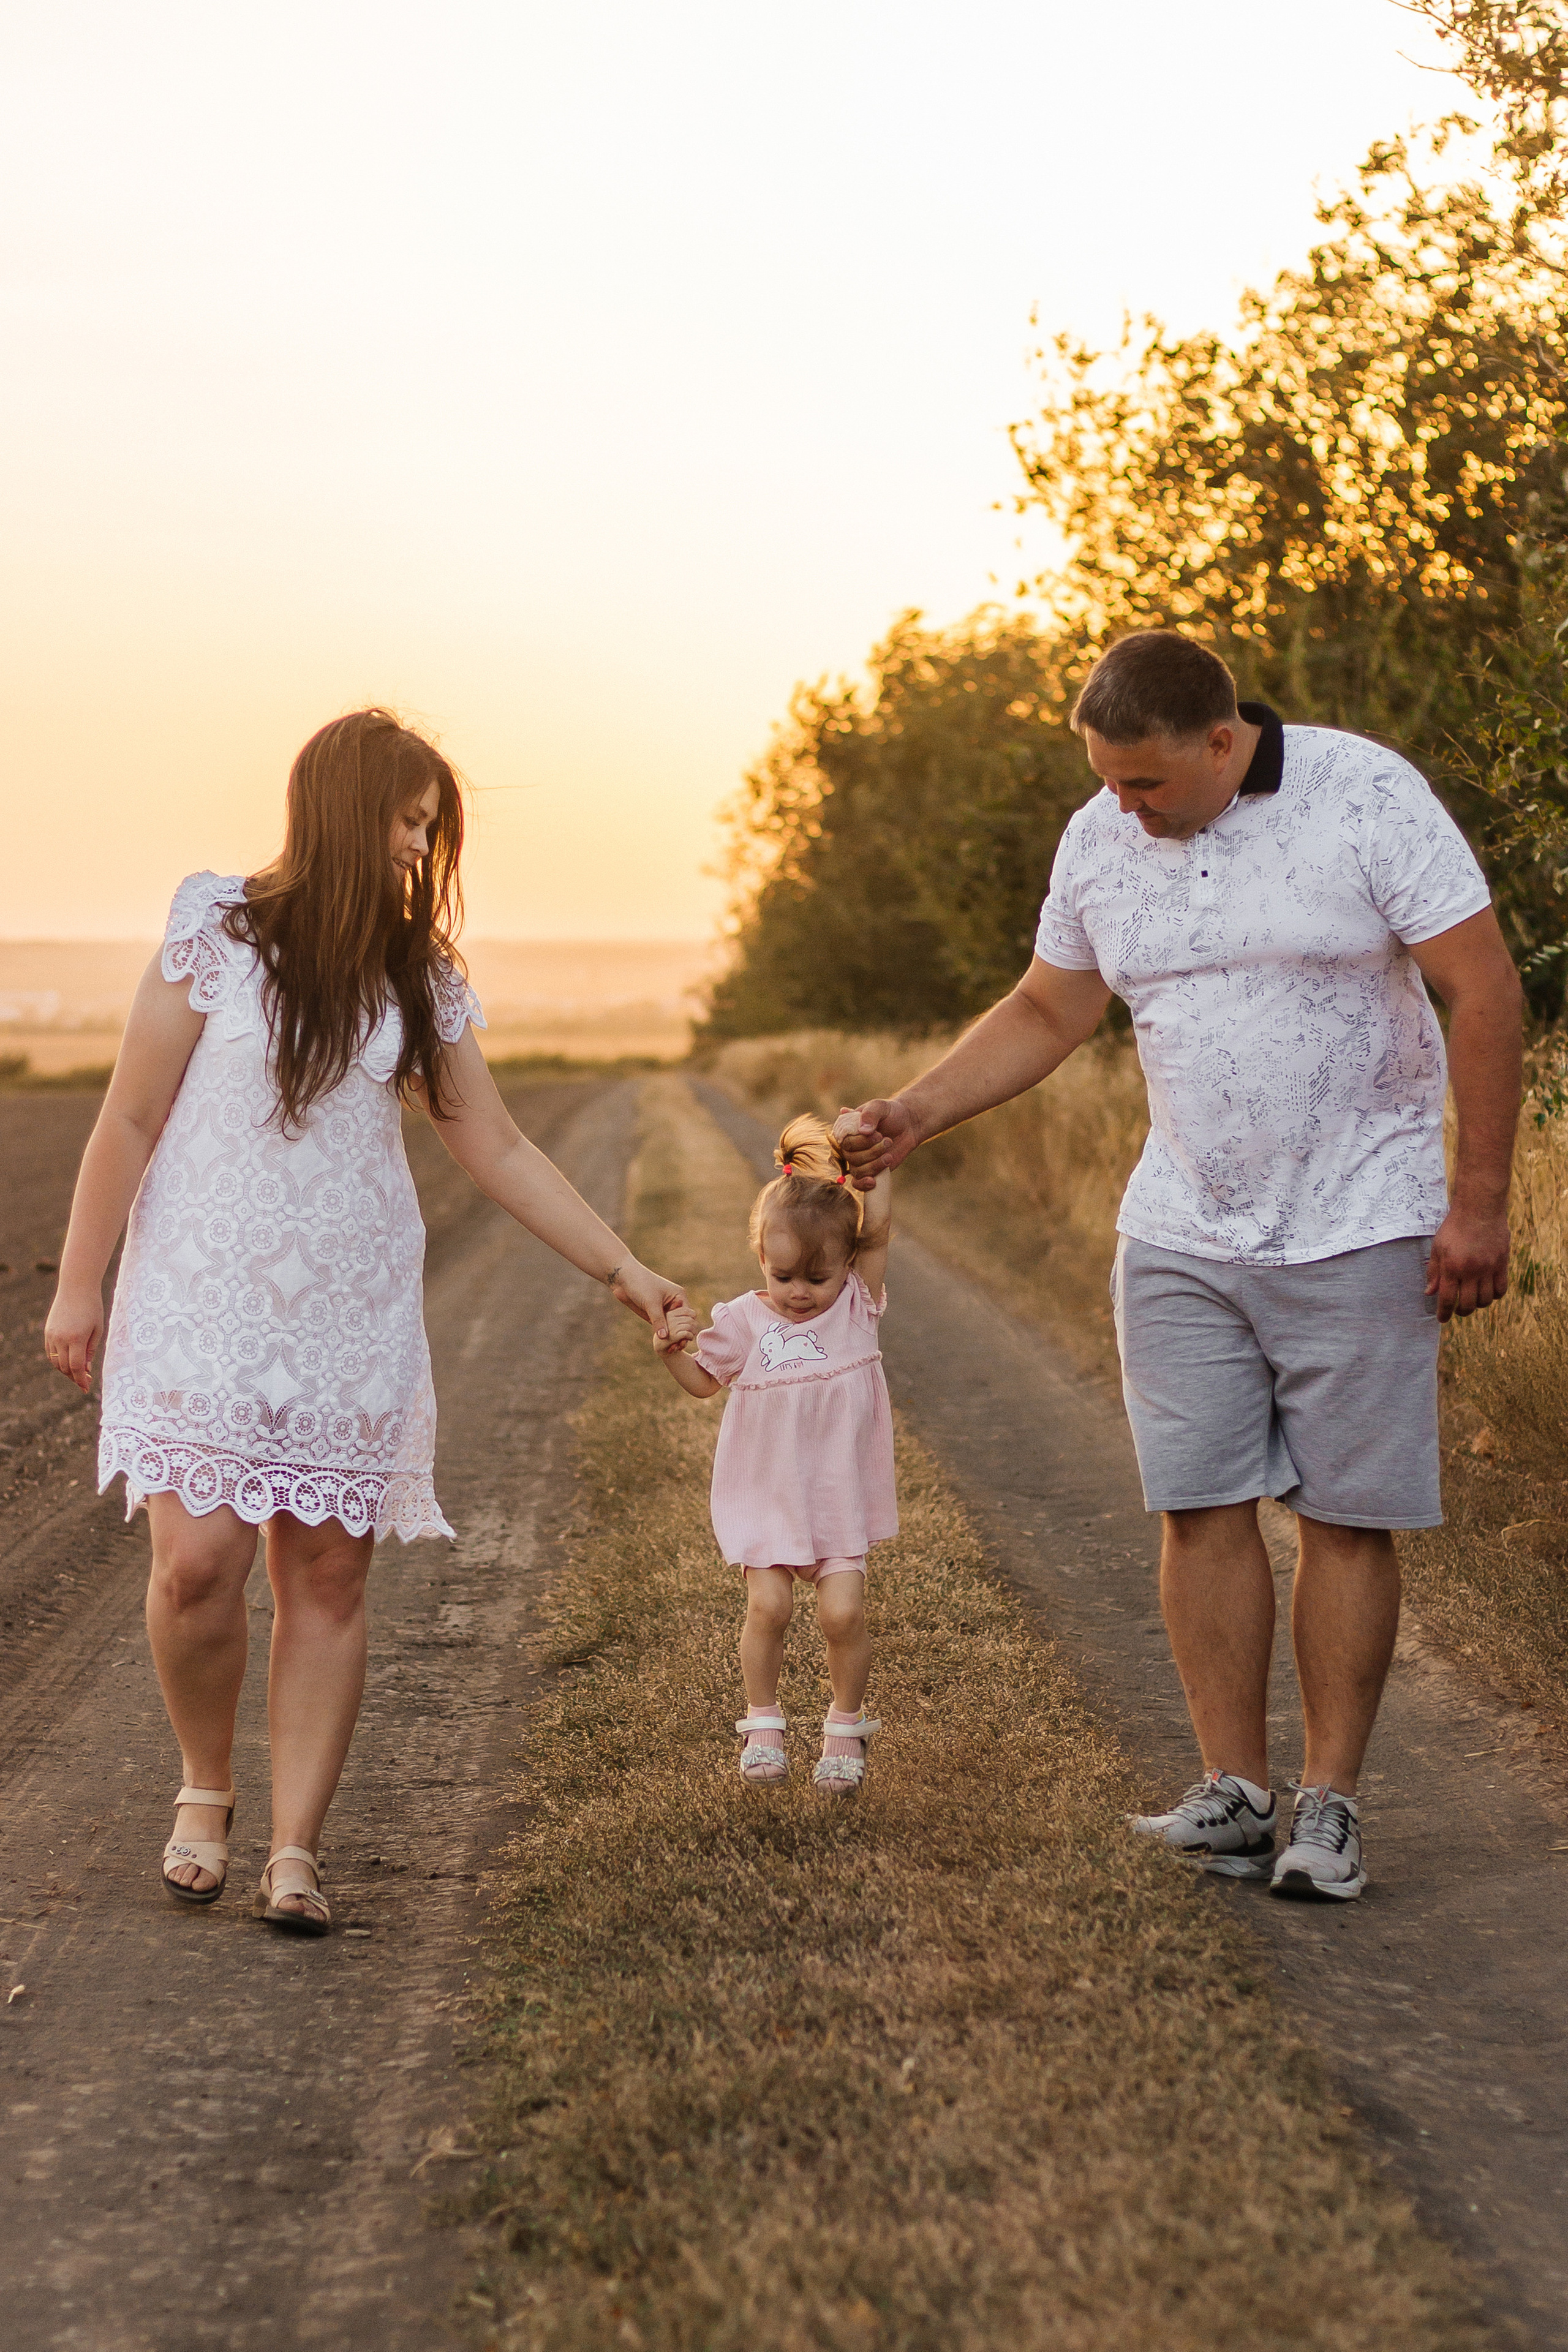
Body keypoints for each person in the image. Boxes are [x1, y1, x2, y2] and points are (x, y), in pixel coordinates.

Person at [842, 630, 1522, 1900]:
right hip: (1178, 1230)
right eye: (1104, 778)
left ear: (1224, 741)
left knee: (1343, 1515)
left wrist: (1474, 1203)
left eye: (1145, 782)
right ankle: (1233, 1793)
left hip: (1361, 1220)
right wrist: (916, 1111)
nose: (1120, 805)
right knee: (1197, 1504)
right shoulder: (1099, 835)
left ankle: (1327, 1807)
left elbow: (1477, 990)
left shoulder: (1363, 794)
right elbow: (1050, 1006)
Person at [44, 709, 685, 1935]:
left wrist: (625, 1268)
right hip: (201, 1295)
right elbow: (126, 1118)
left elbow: (489, 1140)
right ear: (344, 811)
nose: (417, 845)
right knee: (195, 1568)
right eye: (406, 820)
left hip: (347, 1304)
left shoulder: (414, 972)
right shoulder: (215, 931)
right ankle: (205, 1787)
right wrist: (82, 1286)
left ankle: (294, 1850)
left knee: (327, 1570)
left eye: (429, 827)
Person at [656, 1113, 895, 1796]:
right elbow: (703, 1384)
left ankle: (844, 1728)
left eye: (816, 1278)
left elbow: (878, 1228)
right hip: (765, 1495)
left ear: (847, 1267)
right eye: (783, 1273)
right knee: (770, 1610)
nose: (798, 1291)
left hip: (834, 1498)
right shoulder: (741, 1322)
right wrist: (671, 1352)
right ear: (760, 1253)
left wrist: (874, 1171)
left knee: (843, 1613)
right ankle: (763, 1724)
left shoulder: (855, 1308)